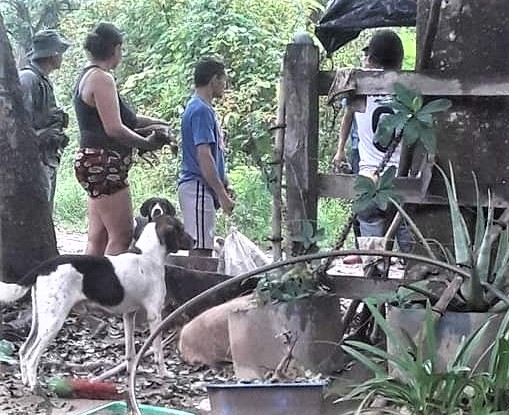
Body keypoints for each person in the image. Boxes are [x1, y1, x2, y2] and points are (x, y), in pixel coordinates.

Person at [74, 22, 169, 256]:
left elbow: (129, 120)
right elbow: (115, 129)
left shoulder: (87, 75)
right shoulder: (102, 78)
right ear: (116, 49)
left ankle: (88, 289)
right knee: (122, 234)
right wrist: (146, 143)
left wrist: (159, 124)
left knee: (98, 237)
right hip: (105, 164)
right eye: (121, 50)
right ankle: (108, 291)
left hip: (91, 162)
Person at [353, 30, 412, 259]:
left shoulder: (358, 87)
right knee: (407, 237)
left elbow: (348, 114)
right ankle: (415, 282)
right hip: (402, 178)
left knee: (370, 232)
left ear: (371, 59)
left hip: (369, 177)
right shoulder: (411, 89)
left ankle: (373, 278)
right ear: (400, 60)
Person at [178, 58, 235, 257]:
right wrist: (221, 194)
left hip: (203, 188)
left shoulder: (201, 108)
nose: (225, 85)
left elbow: (214, 154)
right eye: (223, 80)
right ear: (213, 80)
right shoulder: (200, 110)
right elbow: (204, 156)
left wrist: (223, 184)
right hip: (198, 186)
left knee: (204, 244)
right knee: (200, 249)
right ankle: (196, 288)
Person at [19, 29, 71, 213]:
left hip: (45, 159)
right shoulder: (28, 79)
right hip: (34, 162)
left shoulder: (41, 79)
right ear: (53, 54)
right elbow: (21, 126)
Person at [332, 46, 369, 265]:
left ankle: (390, 249)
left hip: (384, 150)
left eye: (367, 56)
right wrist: (340, 149)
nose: (364, 60)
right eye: (362, 56)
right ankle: (360, 247)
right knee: (360, 198)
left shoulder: (392, 80)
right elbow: (347, 119)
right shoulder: (358, 83)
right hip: (359, 149)